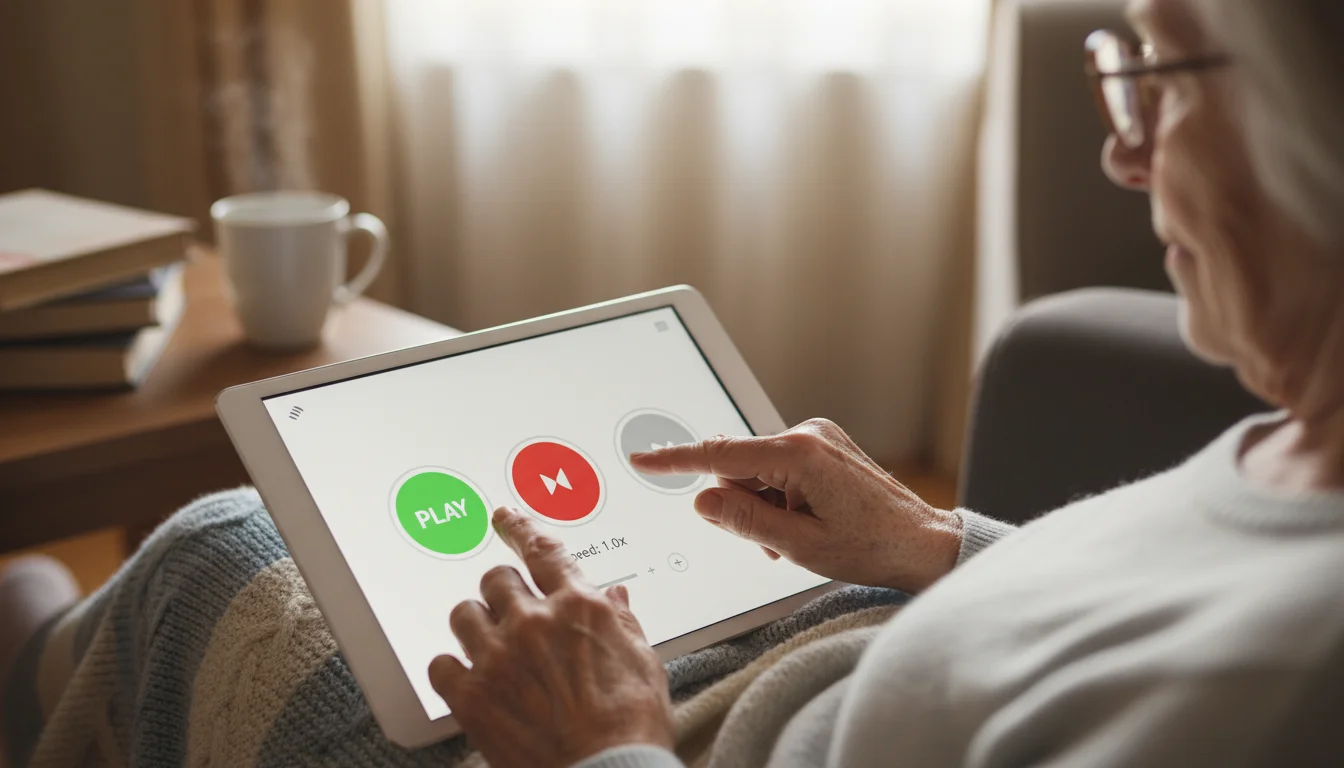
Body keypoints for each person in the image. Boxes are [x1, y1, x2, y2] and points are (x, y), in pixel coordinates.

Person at [5, 0, 1344, 765]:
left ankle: (39, 663)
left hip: (662, 740)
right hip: (823, 643)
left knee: (212, 552)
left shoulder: (1289, 682)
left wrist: (606, 746)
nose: (1125, 157)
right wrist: (940, 543)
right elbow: (1130, 612)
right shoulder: (1304, 459)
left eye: (1159, 74)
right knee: (283, 546)